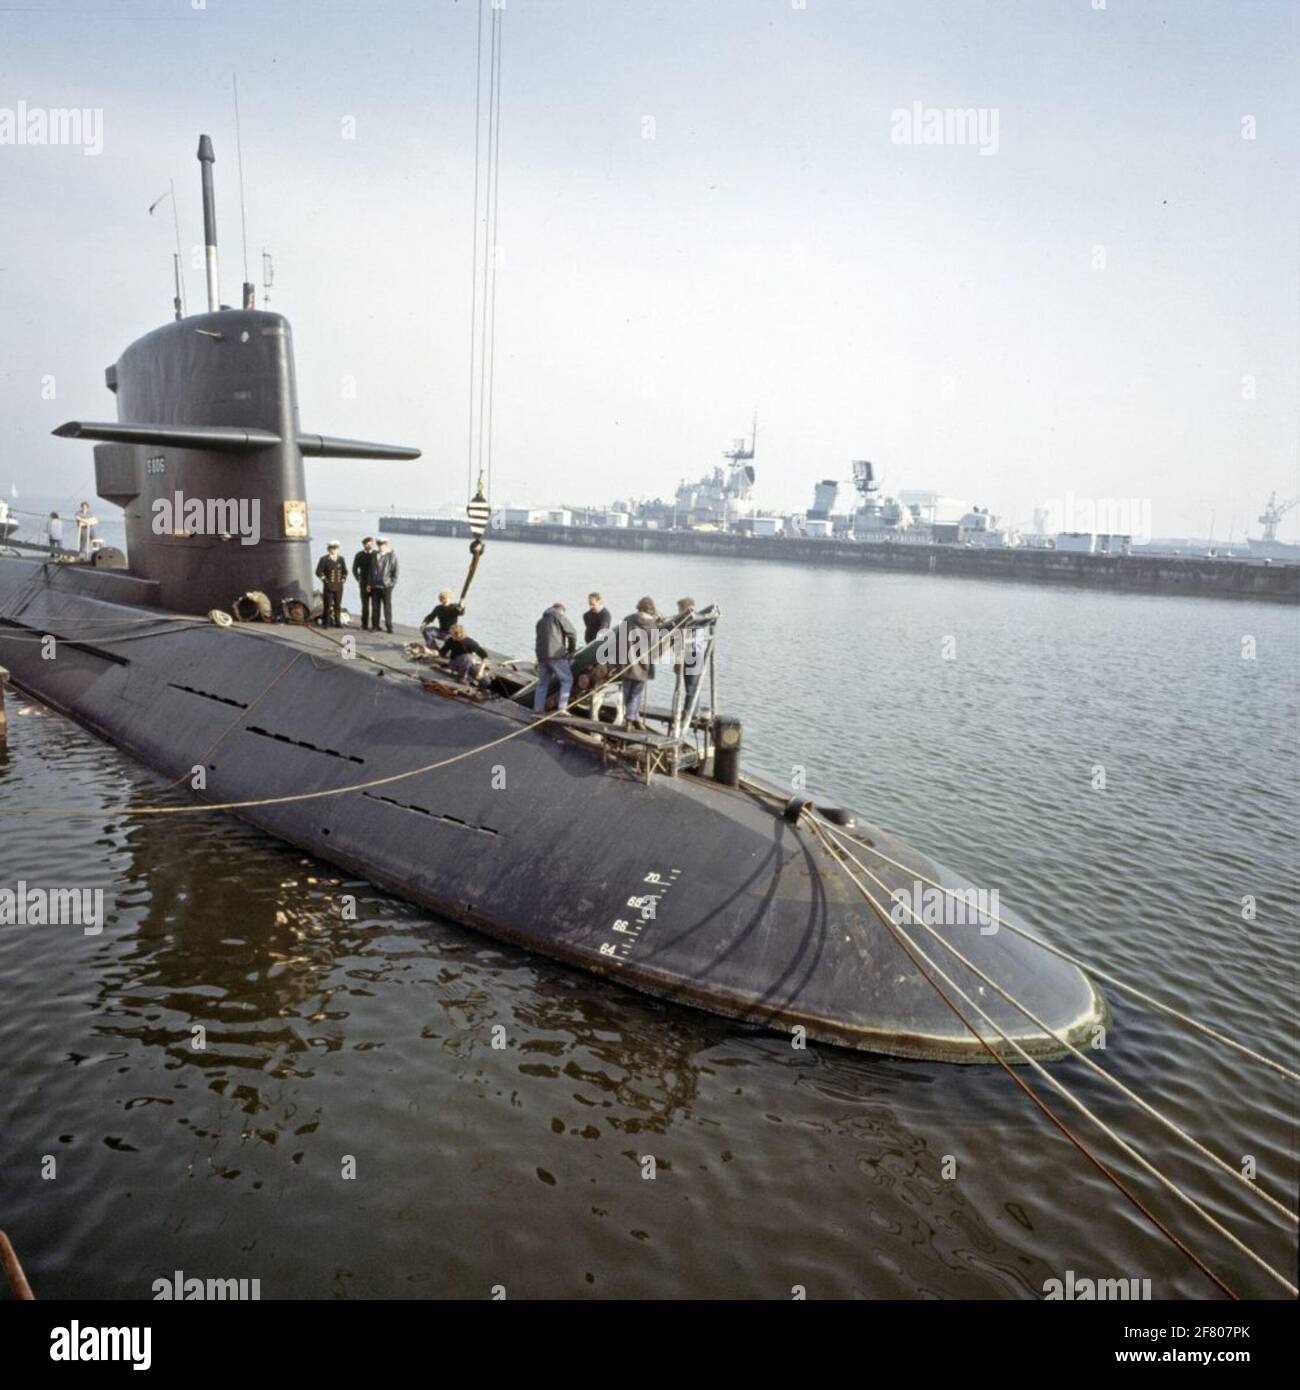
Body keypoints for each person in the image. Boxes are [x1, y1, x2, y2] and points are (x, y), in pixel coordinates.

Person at [616, 595, 662, 730]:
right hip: (643, 664)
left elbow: (619, 640)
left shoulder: (628, 619)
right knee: (636, 692)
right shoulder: (652, 625)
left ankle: (632, 718)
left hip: (627, 662)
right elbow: (655, 647)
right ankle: (630, 719)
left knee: (627, 692)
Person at [533, 601, 577, 714]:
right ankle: (562, 708)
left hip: (541, 655)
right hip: (556, 655)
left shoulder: (540, 621)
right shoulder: (559, 616)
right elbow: (572, 633)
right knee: (567, 679)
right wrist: (571, 651)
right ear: (561, 611)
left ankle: (538, 710)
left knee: (542, 683)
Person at [674, 596, 709, 715]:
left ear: (685, 607)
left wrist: (678, 660)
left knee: (691, 686)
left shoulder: (690, 620)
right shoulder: (699, 619)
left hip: (693, 654)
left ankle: (688, 711)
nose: (678, 612)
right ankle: (692, 710)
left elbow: (682, 641)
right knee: (692, 685)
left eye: (680, 609)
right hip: (697, 654)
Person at [369, 538, 398, 633]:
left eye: (382, 545)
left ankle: (389, 626)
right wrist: (369, 583)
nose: (381, 547)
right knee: (375, 607)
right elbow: (371, 571)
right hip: (375, 586)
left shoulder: (391, 556)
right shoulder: (374, 555)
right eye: (379, 545)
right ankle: (375, 625)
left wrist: (391, 584)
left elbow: (395, 572)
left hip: (386, 586)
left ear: (386, 545)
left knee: (387, 607)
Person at [315, 542, 347, 627]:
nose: (334, 550)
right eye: (332, 549)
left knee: (337, 605)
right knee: (327, 605)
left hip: (339, 586)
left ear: (338, 549)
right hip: (328, 586)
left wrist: (343, 579)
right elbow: (318, 572)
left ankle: (338, 622)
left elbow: (345, 571)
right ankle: (326, 622)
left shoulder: (341, 559)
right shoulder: (324, 559)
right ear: (329, 549)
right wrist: (325, 580)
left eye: (336, 548)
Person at [352, 537, 376, 630]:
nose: (369, 545)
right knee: (365, 605)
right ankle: (364, 624)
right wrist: (359, 579)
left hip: (374, 584)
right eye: (367, 544)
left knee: (375, 606)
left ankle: (374, 625)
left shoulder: (376, 554)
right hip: (364, 583)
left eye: (370, 543)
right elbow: (354, 569)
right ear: (364, 545)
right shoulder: (359, 555)